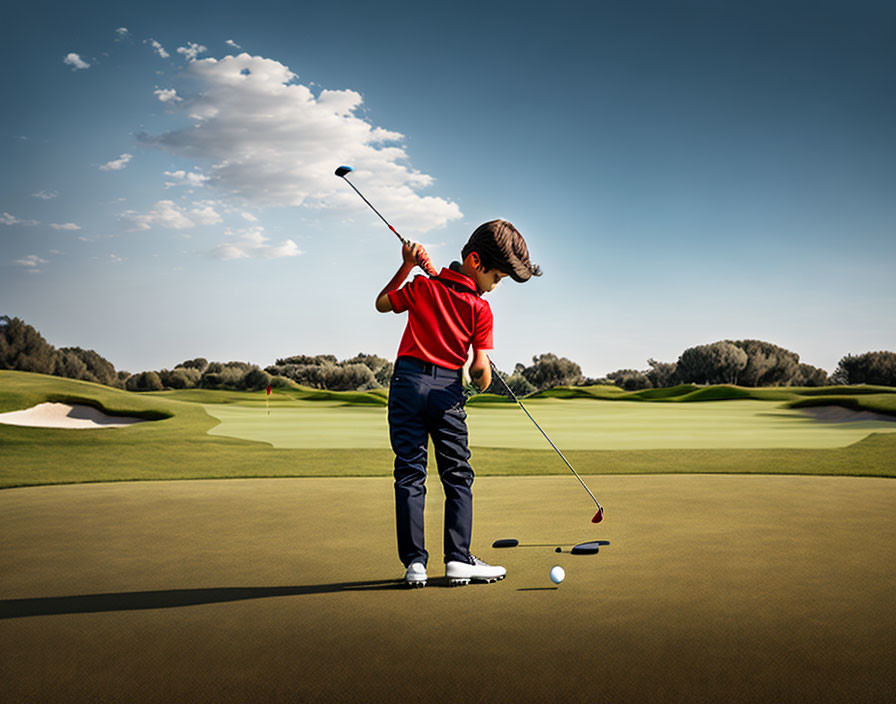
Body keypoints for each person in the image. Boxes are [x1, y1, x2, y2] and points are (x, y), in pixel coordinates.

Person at [374, 219, 541, 587]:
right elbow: (480, 370)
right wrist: (484, 377)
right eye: (497, 278)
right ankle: (458, 558)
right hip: (446, 392)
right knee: (457, 475)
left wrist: (406, 265)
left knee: (409, 473)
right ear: (476, 262)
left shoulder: (421, 285)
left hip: (405, 383)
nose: (495, 287)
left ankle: (415, 564)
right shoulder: (480, 309)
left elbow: (382, 303)